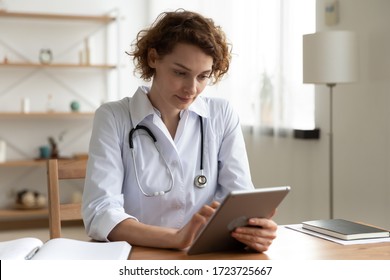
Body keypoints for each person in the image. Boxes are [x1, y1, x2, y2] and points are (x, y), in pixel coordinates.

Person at [82, 9, 277, 252]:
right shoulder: (113, 117)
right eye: (180, 73)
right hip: (139, 255)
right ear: (153, 58)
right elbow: (100, 213)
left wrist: (254, 230)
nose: (191, 89)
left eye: (203, 76)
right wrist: (176, 238)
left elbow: (238, 200)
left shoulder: (221, 114)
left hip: (206, 254)